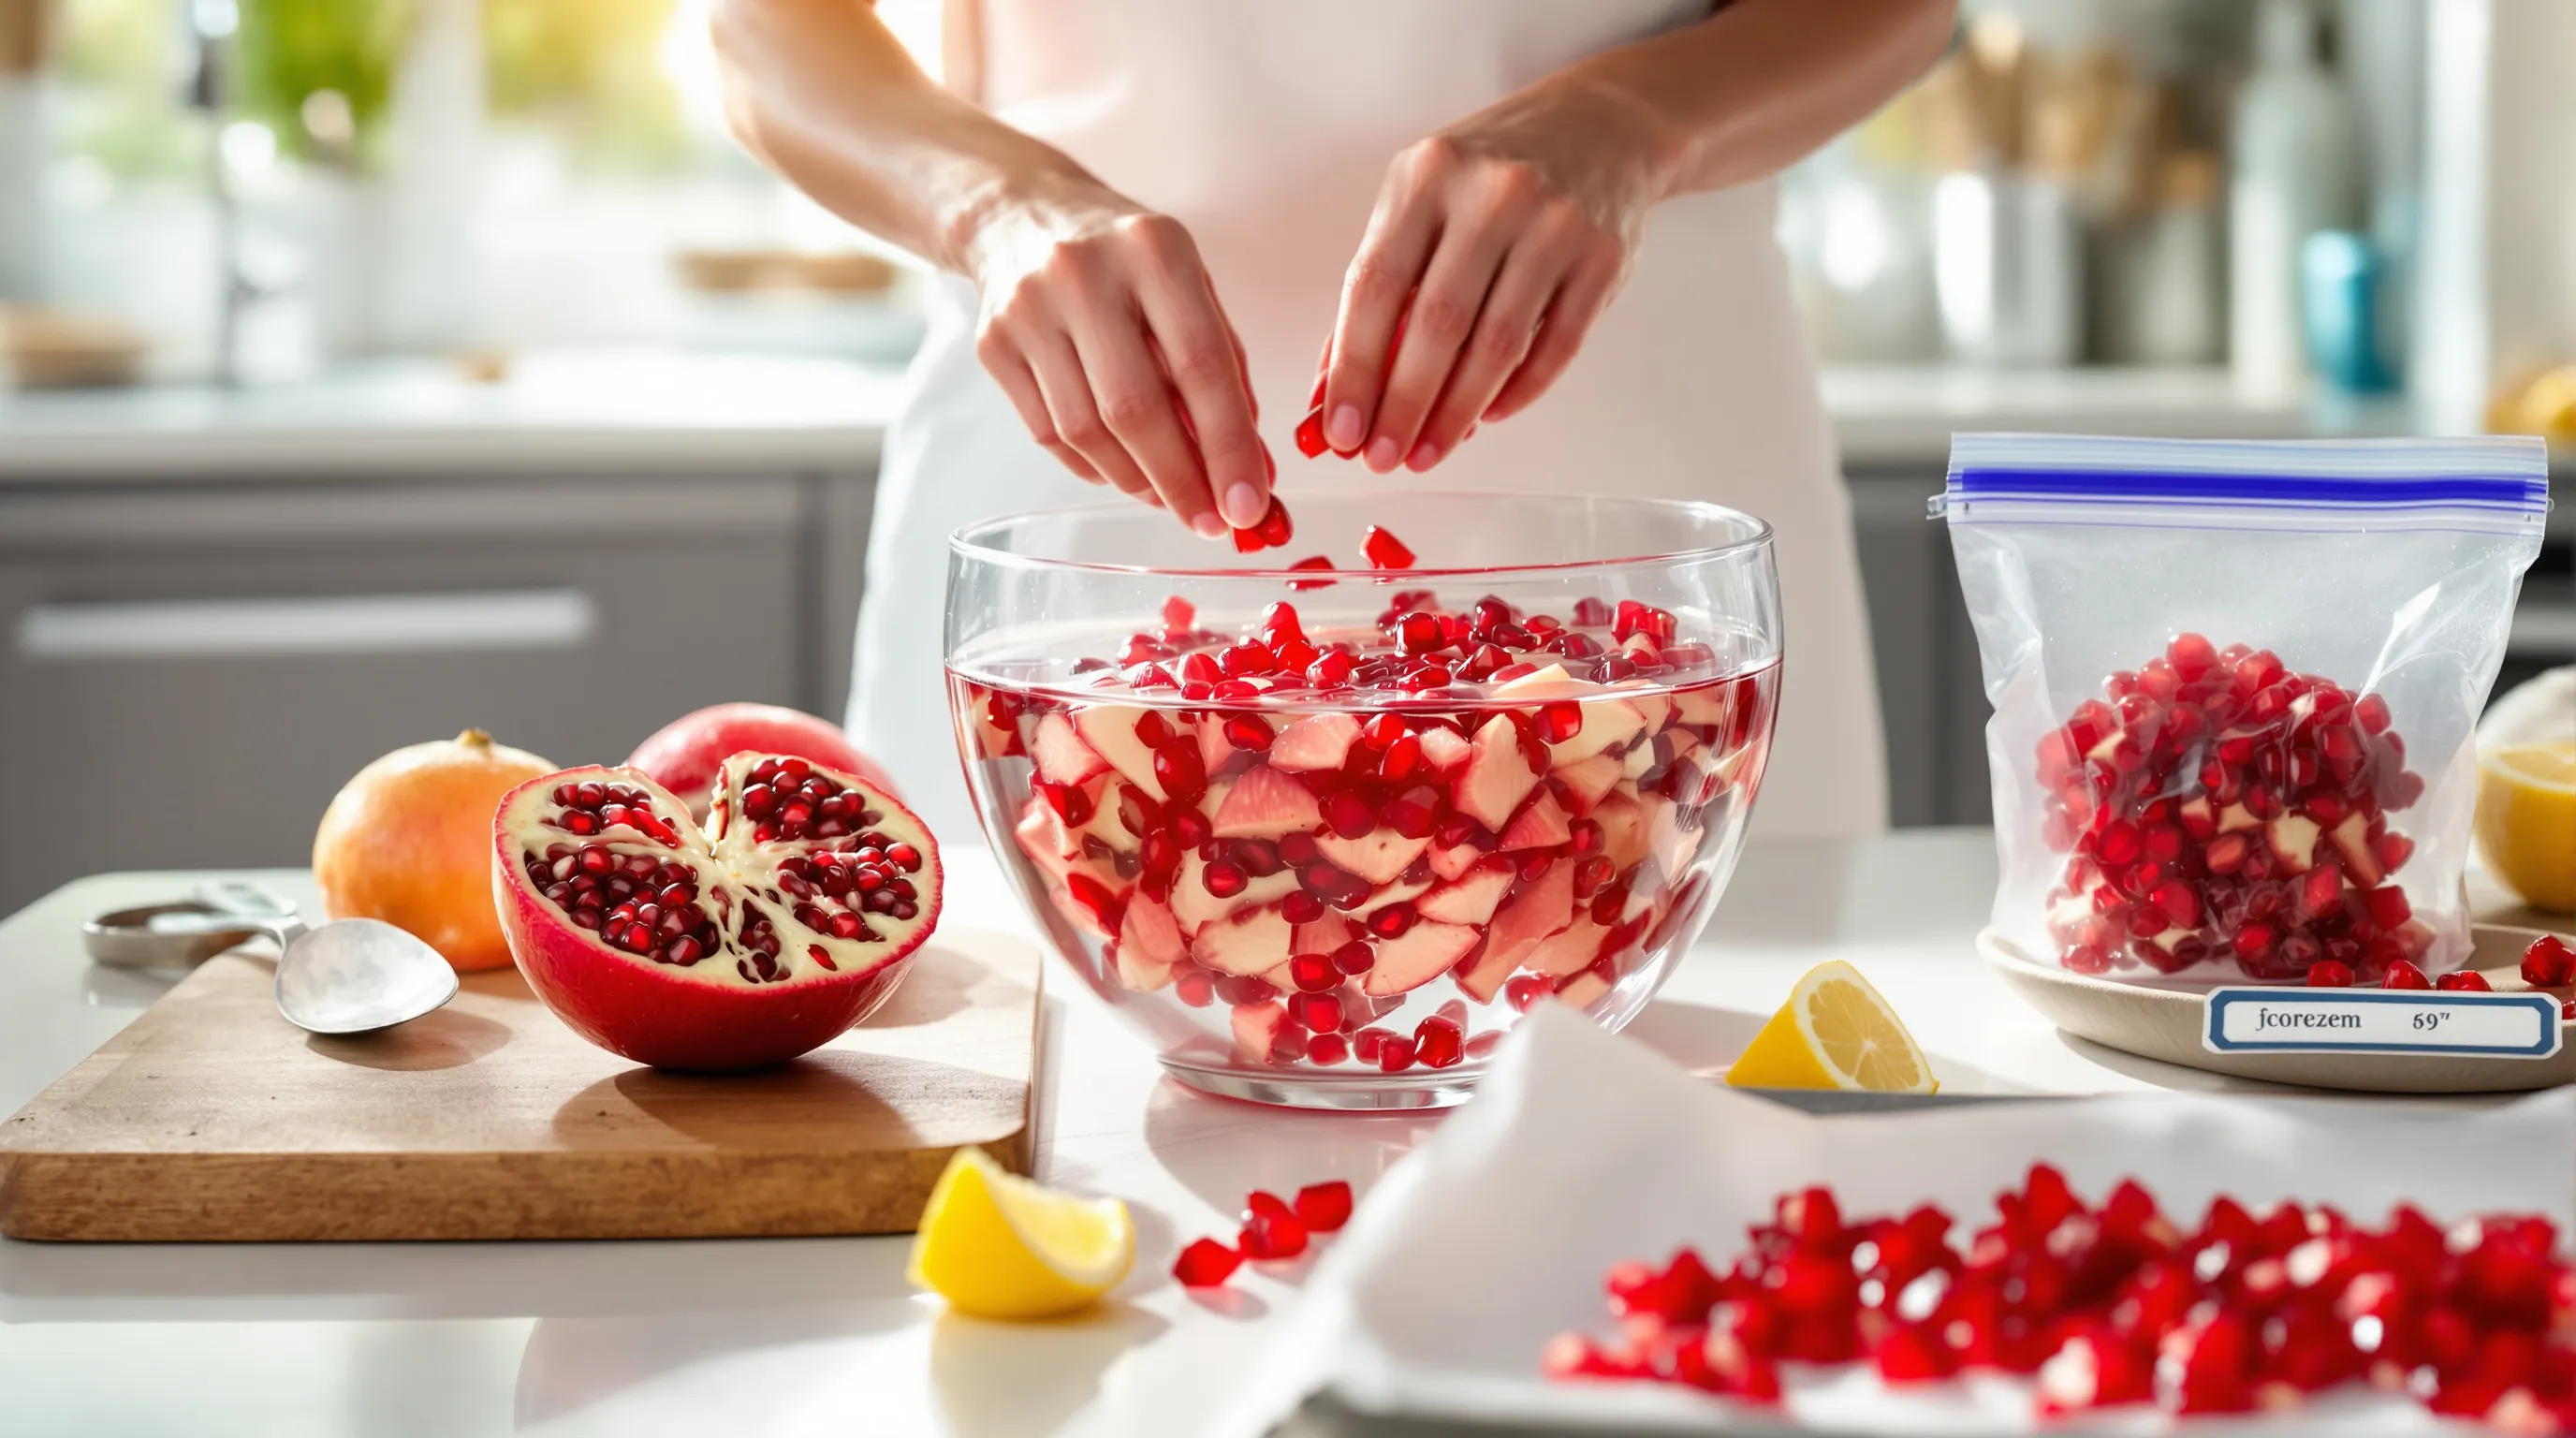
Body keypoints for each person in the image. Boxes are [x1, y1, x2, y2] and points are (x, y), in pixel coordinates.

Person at [715, 0, 1952, 843]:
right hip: (1070, 541)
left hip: (1664, 524)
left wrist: (1633, 123)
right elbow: (760, 29)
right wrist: (989, 205)